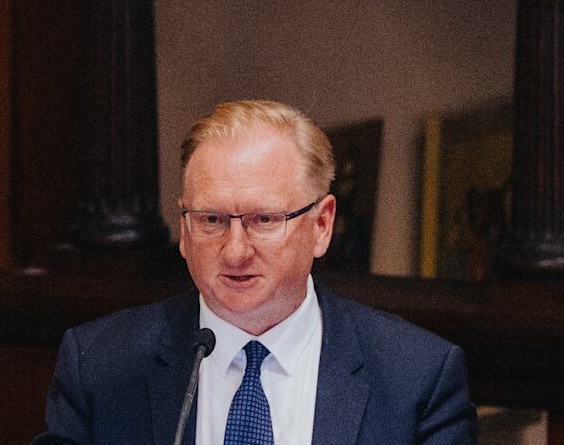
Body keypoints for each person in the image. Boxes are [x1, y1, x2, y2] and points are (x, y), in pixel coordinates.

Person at [33, 100, 477, 444]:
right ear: (184, 231)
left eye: (264, 220)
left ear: (322, 225)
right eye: (211, 220)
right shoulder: (101, 367)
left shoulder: (415, 378)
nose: (235, 251)